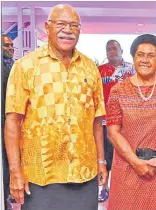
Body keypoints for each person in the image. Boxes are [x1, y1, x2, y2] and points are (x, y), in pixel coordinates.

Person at [5, 4, 108, 210]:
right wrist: (15, 172)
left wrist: (101, 161)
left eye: (73, 25)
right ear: (47, 27)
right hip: (41, 175)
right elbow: (12, 122)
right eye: (61, 24)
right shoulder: (26, 66)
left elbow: (96, 120)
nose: (68, 30)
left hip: (84, 174)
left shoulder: (89, 67)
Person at [105, 34, 156, 210]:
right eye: (140, 54)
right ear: (133, 58)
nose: (144, 60)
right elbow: (113, 132)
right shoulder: (118, 91)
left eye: (151, 56)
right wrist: (136, 162)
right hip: (127, 170)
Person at [98, 39, 135, 202]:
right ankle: (104, 188)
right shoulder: (99, 71)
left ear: (122, 50)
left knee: (124, 154)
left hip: (127, 122)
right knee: (106, 155)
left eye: (114, 48)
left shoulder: (132, 70)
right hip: (105, 122)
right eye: (108, 49)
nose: (111, 51)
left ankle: (123, 189)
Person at [2, 34, 15, 209]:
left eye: (11, 45)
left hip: (14, 123)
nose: (11, 48)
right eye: (6, 45)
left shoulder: (14, 65)